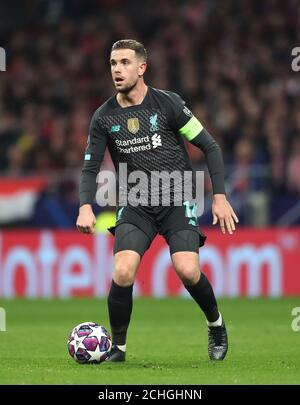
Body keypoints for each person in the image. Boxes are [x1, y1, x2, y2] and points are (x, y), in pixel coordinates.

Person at [76, 39, 238, 362]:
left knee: (187, 269)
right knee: (123, 271)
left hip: (177, 197)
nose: (117, 70)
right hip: (136, 202)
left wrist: (219, 197)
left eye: (124, 62)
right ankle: (118, 349)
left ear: (141, 67)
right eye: (112, 63)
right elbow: (90, 166)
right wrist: (84, 205)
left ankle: (216, 325)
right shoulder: (103, 117)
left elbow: (211, 148)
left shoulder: (168, 104)